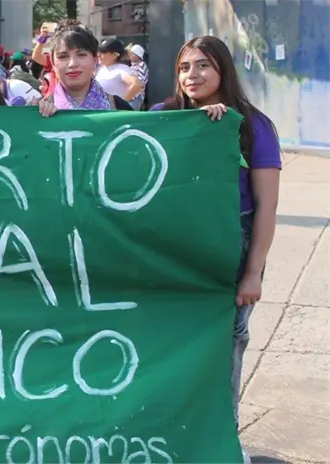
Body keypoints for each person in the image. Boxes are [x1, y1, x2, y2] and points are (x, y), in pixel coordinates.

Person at [151, 36, 281, 464]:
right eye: (185, 68)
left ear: (224, 70)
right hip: (171, 252)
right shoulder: (162, 118)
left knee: (225, 348)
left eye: (204, 66)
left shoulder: (251, 125)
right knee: (169, 348)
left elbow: (266, 206)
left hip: (231, 247)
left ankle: (221, 444)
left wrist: (253, 272)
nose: (193, 76)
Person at [45, 21, 132, 111]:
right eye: (63, 57)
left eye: (81, 55)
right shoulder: (39, 112)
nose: (72, 64)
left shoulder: (120, 108)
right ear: (53, 63)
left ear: (95, 59)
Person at [95, 38, 143, 105]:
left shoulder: (121, 69)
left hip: (113, 113)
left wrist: (121, 104)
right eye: (98, 52)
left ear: (114, 55)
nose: (98, 55)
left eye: (103, 52)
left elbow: (137, 84)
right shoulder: (101, 69)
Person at [127, 43, 149, 109]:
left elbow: (142, 81)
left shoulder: (142, 65)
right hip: (130, 97)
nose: (131, 55)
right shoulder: (132, 66)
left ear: (138, 56)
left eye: (133, 54)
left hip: (136, 97)